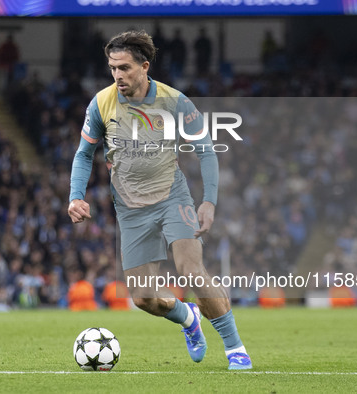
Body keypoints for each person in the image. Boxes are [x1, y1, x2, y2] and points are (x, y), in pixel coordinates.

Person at [68, 30, 252, 370]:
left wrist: (208, 201)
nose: (117, 75)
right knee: (143, 299)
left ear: (144, 66)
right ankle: (188, 318)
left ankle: (234, 347)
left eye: (124, 68)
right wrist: (75, 196)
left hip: (172, 198)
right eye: (112, 68)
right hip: (130, 209)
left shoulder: (175, 101)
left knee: (191, 271)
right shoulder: (101, 104)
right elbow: (83, 154)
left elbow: (206, 151)